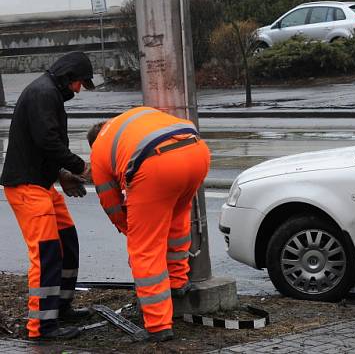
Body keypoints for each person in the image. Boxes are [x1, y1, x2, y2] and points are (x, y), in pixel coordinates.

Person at [87, 107, 210, 342]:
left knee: (145, 248)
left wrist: (132, 230)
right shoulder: (129, 121)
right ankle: (177, 282)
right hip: (197, 153)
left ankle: (158, 325)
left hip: (157, 164)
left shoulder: (99, 150)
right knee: (177, 220)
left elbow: (111, 204)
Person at [1, 52, 95, 340]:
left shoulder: (48, 92)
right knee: (47, 254)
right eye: (79, 82)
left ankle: (60, 308)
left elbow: (41, 144)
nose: (79, 89)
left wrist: (61, 176)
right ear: (68, 77)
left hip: (42, 184)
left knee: (67, 241)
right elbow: (47, 141)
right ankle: (41, 327)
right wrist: (80, 167)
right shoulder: (44, 93)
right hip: (28, 187)